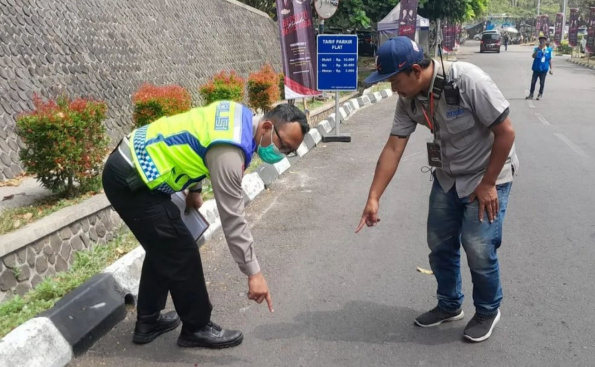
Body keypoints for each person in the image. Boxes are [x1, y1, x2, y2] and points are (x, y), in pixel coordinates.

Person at [102, 101, 309, 349]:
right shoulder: (230, 152)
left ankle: (148, 320)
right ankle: (196, 327)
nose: (281, 152)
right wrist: (254, 273)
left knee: (164, 247)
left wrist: (195, 189)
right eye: (283, 145)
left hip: (135, 167)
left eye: (289, 151)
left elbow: (198, 140)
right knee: (181, 251)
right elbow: (233, 218)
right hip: (132, 179)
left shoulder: (238, 115)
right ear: (266, 126)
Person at [356, 37, 518, 342]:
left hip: (487, 175)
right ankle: (449, 304)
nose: (392, 89)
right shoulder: (409, 99)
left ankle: (487, 310)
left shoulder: (469, 81)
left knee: (478, 247)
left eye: (394, 80)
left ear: (416, 70)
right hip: (448, 176)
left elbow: (506, 133)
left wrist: (488, 184)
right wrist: (373, 197)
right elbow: (393, 147)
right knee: (439, 243)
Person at [526, 35, 553, 100]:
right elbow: (533, 56)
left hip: (544, 69)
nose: (542, 42)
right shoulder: (536, 49)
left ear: (545, 42)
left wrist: (551, 69)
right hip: (536, 68)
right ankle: (531, 94)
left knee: (542, 83)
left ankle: (540, 94)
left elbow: (549, 60)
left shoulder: (548, 50)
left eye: (543, 41)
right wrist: (537, 50)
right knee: (533, 82)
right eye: (540, 41)